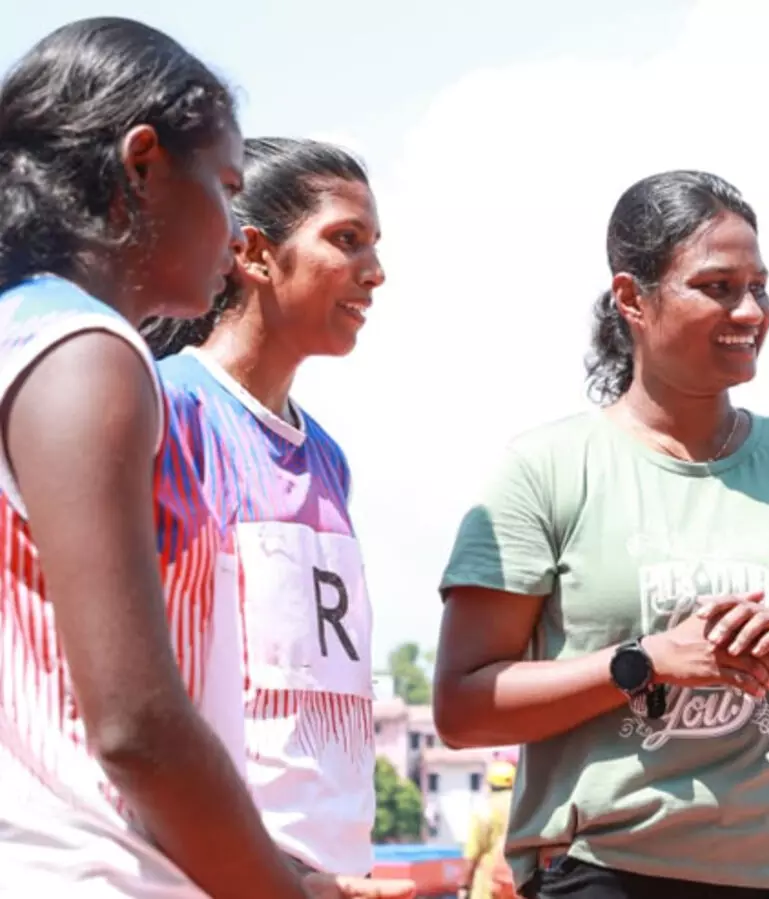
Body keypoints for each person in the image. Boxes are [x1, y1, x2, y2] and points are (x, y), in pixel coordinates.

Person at [433, 169, 769, 899]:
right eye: (717, 287)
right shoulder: (546, 469)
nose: (749, 310)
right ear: (632, 298)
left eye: (759, 286)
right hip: (606, 871)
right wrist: (646, 661)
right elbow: (463, 709)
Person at [0, 18, 400, 899]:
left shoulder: (34, 336)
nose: (231, 222)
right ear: (142, 166)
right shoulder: (91, 358)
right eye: (224, 187)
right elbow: (138, 727)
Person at [141, 136, 389, 883]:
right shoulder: (164, 411)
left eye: (375, 245)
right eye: (346, 240)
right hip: (209, 871)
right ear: (252, 253)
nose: (375, 272)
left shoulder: (329, 458)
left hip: (337, 866)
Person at [463, 761, 519, 899]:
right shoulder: (522, 807)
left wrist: (464, 885)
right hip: (515, 885)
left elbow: (472, 853)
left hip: (487, 887)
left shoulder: (484, 808)